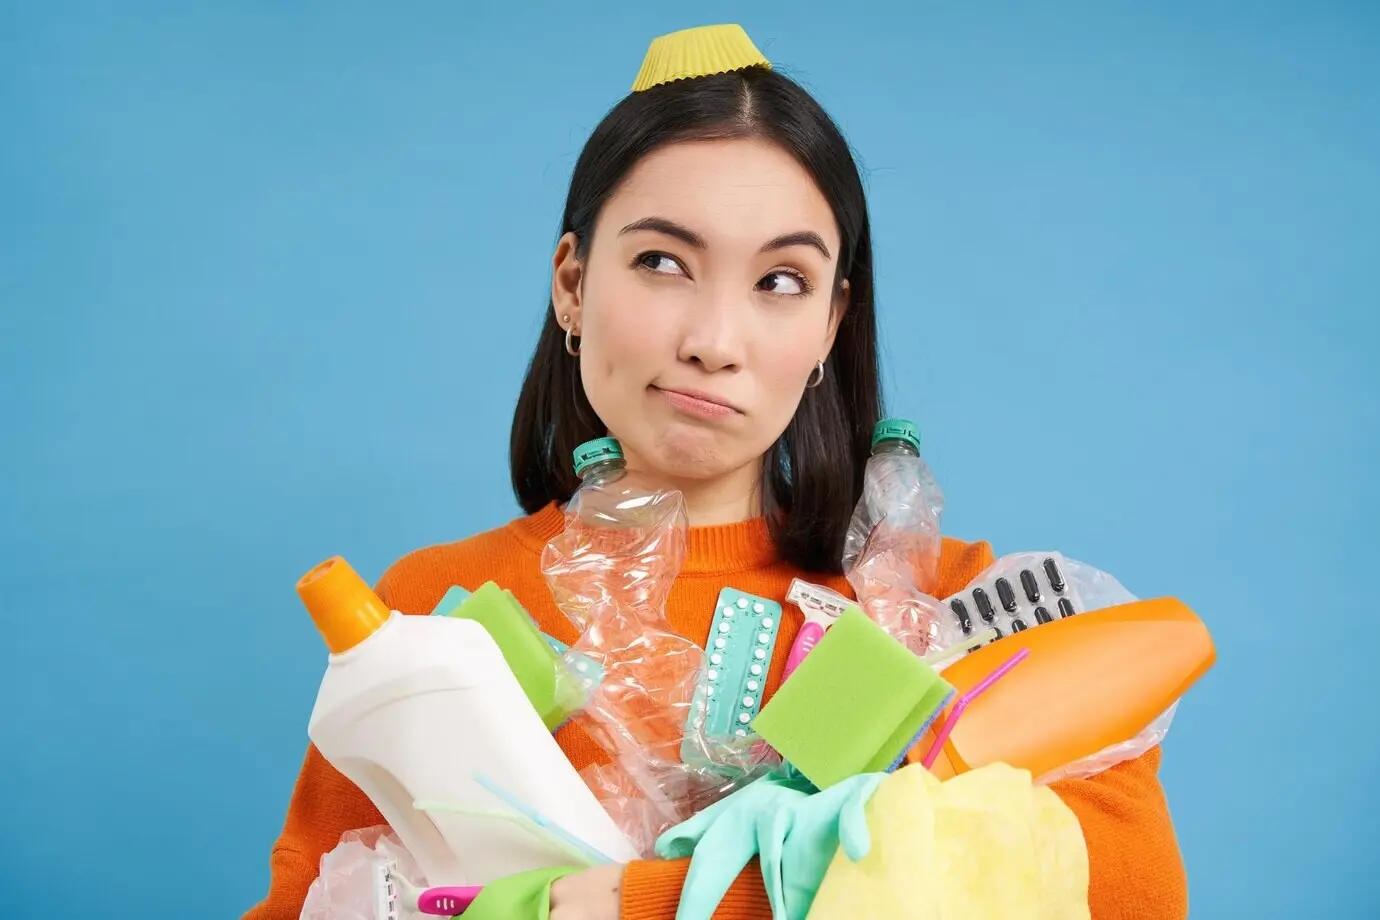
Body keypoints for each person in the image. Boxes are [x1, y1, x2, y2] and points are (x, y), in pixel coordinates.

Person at [244, 24, 1188, 920]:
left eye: (781, 282)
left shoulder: (951, 616)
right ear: (572, 284)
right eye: (663, 261)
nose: (714, 340)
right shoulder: (432, 617)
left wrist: (668, 902)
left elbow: (1130, 895)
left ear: (830, 325)